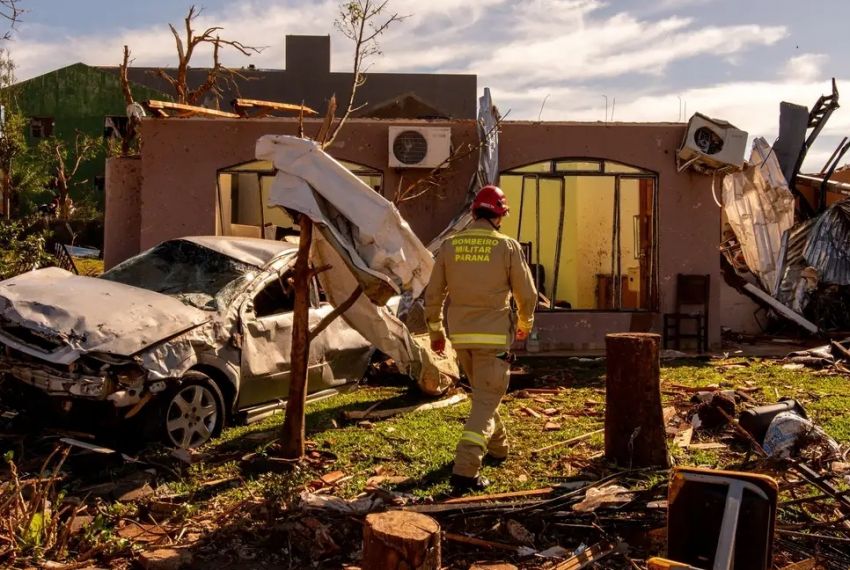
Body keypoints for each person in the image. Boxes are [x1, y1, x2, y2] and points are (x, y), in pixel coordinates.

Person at [424, 185, 538, 493]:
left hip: (461, 337)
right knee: (487, 398)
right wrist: (525, 324)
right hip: (493, 338)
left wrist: (435, 331)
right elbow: (526, 295)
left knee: (485, 397)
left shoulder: (449, 246)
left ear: (473, 212)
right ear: (499, 216)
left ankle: (499, 449)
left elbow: (433, 295)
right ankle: (465, 469)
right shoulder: (508, 247)